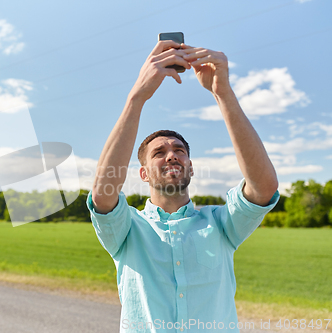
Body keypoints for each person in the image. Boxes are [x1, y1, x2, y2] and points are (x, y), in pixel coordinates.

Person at [86, 39, 280, 332]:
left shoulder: (220, 225)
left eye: (179, 150)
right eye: (158, 152)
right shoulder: (128, 230)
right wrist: (137, 97)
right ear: (144, 175)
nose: (171, 154)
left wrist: (222, 93)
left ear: (191, 167)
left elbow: (264, 188)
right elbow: (103, 194)